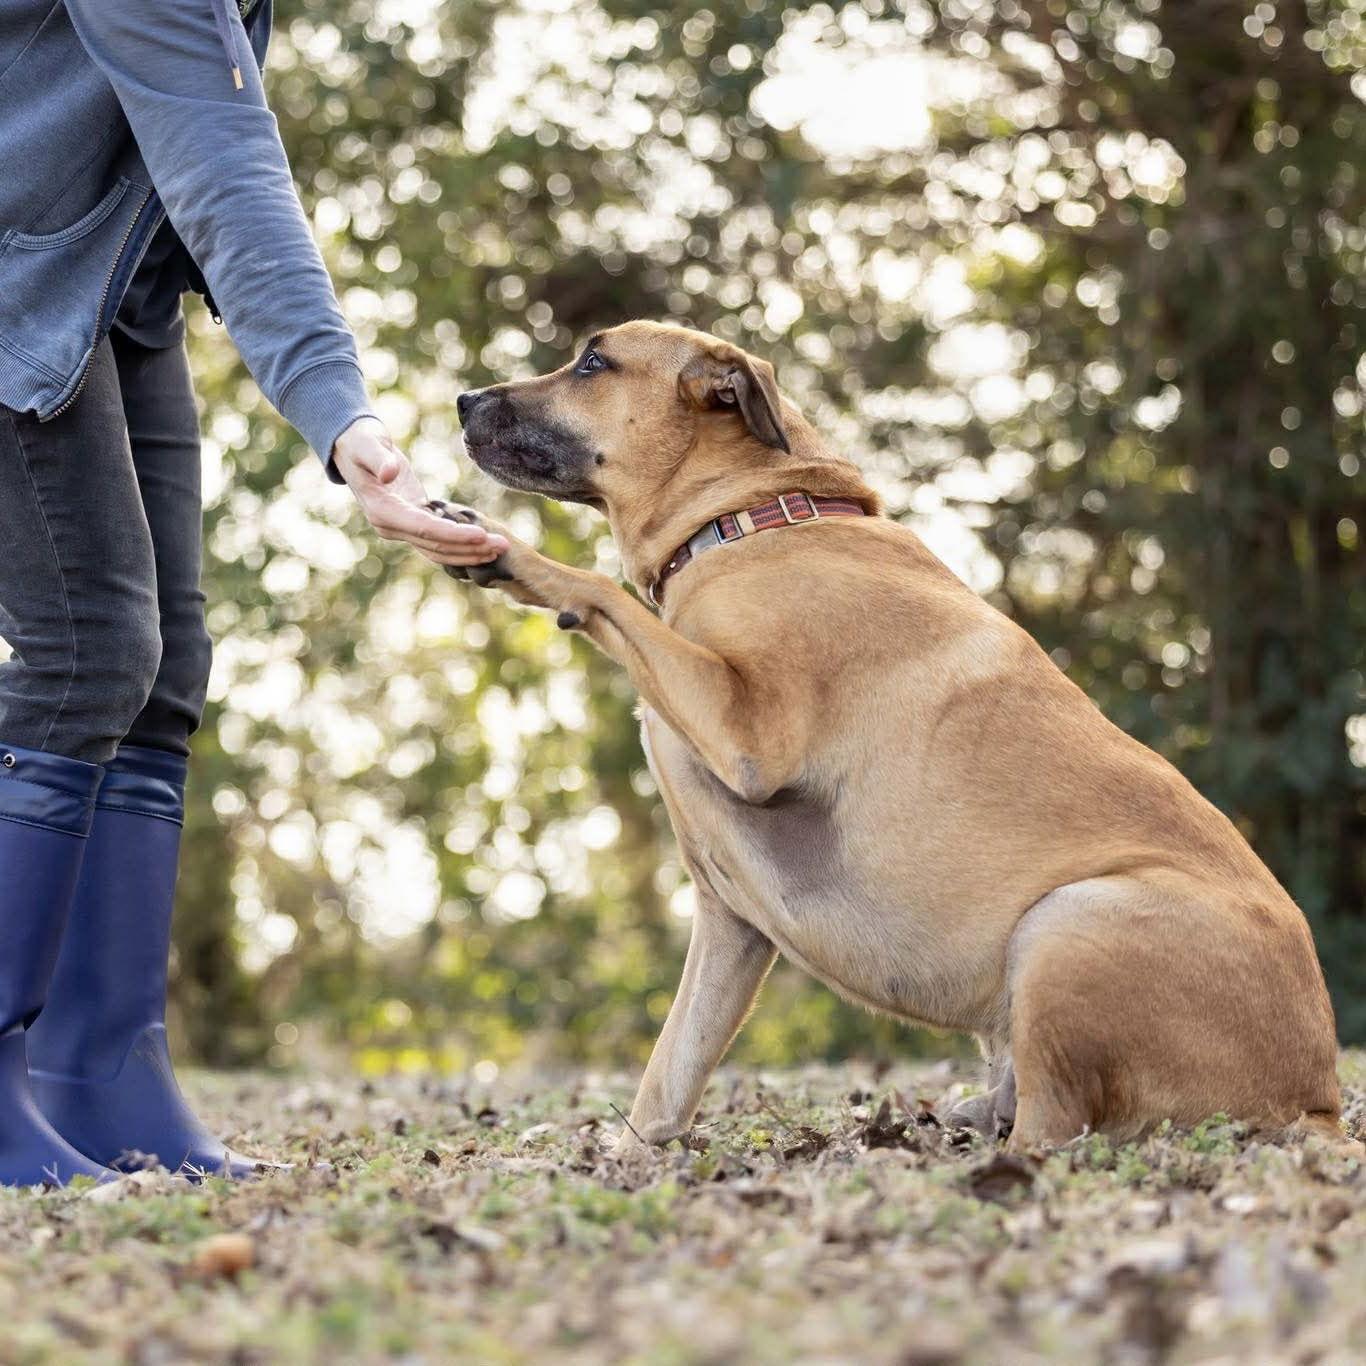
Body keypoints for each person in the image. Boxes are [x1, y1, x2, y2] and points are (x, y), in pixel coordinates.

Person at [0, 0, 507, 1185]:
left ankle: (100, 1068)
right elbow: (223, 155)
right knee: (85, 651)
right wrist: (342, 417)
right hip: (15, 286)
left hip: (107, 288)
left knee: (163, 671)